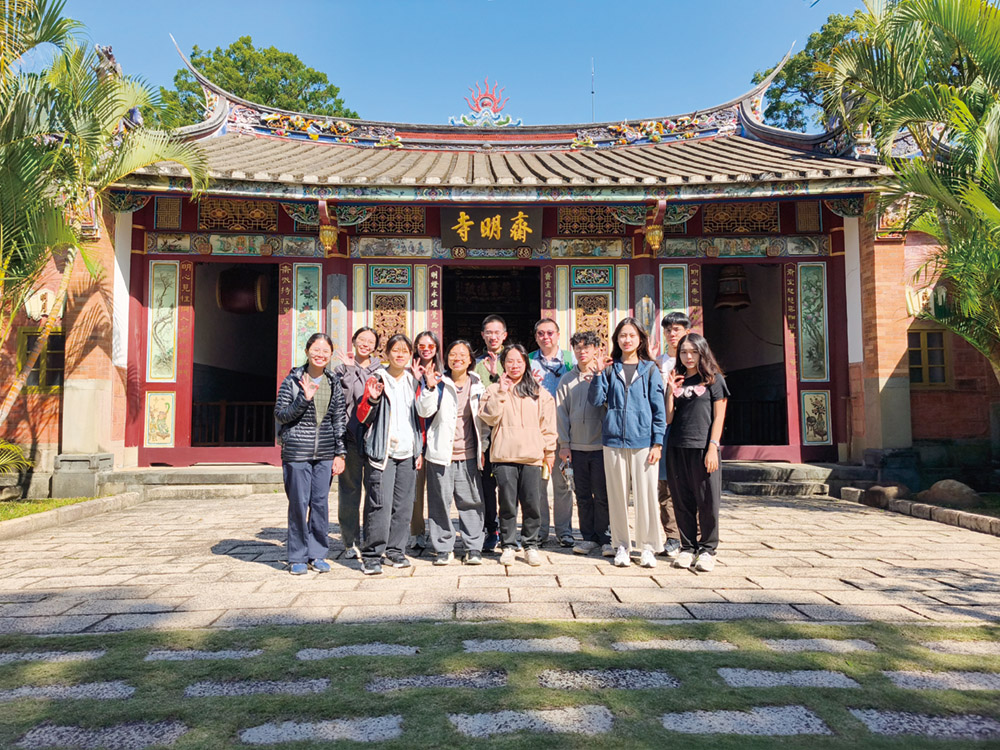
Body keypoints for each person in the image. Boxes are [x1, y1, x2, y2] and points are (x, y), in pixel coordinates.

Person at [588, 317, 666, 569]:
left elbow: (659, 409)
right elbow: (595, 400)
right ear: (616, 339)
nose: (627, 340)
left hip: (644, 442)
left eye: (632, 335)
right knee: (617, 496)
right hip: (613, 441)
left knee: (646, 496)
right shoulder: (610, 369)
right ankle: (621, 545)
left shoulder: (650, 369)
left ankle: (648, 547)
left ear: (640, 339)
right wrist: (598, 373)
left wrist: (657, 443)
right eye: (623, 335)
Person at [274, 333, 347, 575]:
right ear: (307, 351)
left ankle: (317, 554)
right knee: (298, 504)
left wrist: (340, 453)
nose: (320, 354)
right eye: (316, 349)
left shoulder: (333, 382)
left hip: (325, 453)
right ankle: (297, 556)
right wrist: (303, 400)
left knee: (320, 504)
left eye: (325, 351)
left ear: (331, 355)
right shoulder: (293, 381)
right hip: (297, 452)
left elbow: (339, 419)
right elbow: (281, 414)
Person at [479, 344, 557, 567]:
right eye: (510, 361)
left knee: (532, 503)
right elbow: (489, 417)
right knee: (507, 504)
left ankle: (530, 544)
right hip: (504, 456)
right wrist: (501, 392)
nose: (514, 366)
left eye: (519, 361)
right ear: (503, 364)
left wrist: (549, 451)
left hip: (532, 456)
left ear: (526, 363)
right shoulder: (493, 390)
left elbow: (548, 425)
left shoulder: (538, 391)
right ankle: (508, 545)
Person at [417, 340, 488, 565]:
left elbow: (483, 420)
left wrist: (484, 446)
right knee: (439, 502)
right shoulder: (439, 382)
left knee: (472, 501)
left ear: (470, 359)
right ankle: (443, 548)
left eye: (463, 354)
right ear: (446, 359)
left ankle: (473, 546)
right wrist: (429, 387)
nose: (457, 358)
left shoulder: (477, 384)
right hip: (441, 453)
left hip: (469, 454)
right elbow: (424, 411)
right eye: (453, 354)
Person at [356, 333, 422, 575]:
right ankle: (372, 555)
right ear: (386, 354)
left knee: (403, 506)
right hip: (383, 452)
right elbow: (362, 416)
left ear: (410, 355)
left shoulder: (413, 382)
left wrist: (418, 449)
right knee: (379, 506)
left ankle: (395, 551)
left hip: (408, 452)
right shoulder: (377, 378)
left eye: (405, 351)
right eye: (396, 350)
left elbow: (420, 419)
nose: (400, 354)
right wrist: (373, 400)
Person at [665, 332, 729, 573]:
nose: (688, 356)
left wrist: (713, 447)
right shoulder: (678, 380)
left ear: (703, 352)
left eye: (693, 351)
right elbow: (668, 418)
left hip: (703, 448)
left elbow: (719, 417)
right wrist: (670, 391)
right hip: (677, 447)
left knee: (707, 501)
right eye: (683, 352)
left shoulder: (714, 380)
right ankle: (687, 547)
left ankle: (707, 550)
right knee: (682, 500)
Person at [556, 331, 611, 556]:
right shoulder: (566, 379)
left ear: (596, 350)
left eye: (586, 347)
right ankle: (588, 538)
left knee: (602, 494)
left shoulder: (606, 374)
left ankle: (606, 537)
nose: (581, 352)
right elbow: (561, 413)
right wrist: (564, 444)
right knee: (583, 495)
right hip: (577, 447)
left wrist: (599, 376)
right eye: (577, 347)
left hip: (601, 446)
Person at [333, 327, 382, 559]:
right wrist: (350, 370)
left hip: (373, 438)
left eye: (370, 341)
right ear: (353, 341)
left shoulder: (380, 371)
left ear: (375, 346)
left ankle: (371, 539)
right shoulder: (340, 369)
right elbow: (342, 401)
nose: (365, 344)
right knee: (349, 491)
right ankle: (349, 541)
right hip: (350, 438)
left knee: (374, 491)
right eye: (361, 339)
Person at [528, 318, 576, 547]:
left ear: (558, 335)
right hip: (536, 431)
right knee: (537, 485)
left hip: (564, 430)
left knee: (563, 483)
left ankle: (564, 531)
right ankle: (540, 530)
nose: (545, 337)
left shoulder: (570, 360)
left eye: (549, 333)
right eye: (540, 333)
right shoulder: (528, 360)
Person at [656, 312, 691, 560]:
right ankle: (672, 537)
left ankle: (692, 535)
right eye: (668, 330)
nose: (672, 334)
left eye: (677, 329)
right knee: (665, 484)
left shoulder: (694, 362)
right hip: (663, 428)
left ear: (687, 332)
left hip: (689, 427)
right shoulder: (657, 363)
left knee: (689, 483)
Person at [474, 314, 507, 553]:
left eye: (497, 332)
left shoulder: (514, 359)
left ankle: (508, 530)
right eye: (489, 332)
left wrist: (496, 375)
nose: (493, 336)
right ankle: (491, 529)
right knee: (486, 486)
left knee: (508, 486)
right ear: (483, 335)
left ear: (505, 335)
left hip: (508, 433)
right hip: (484, 434)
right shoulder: (475, 364)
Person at [409, 330, 444, 553]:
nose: (426, 350)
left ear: (437, 349)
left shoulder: (444, 374)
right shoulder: (408, 373)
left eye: (430, 346)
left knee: (439, 490)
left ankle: (440, 534)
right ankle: (417, 532)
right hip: (415, 435)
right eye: (421, 346)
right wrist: (415, 380)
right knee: (415, 490)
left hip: (438, 436)